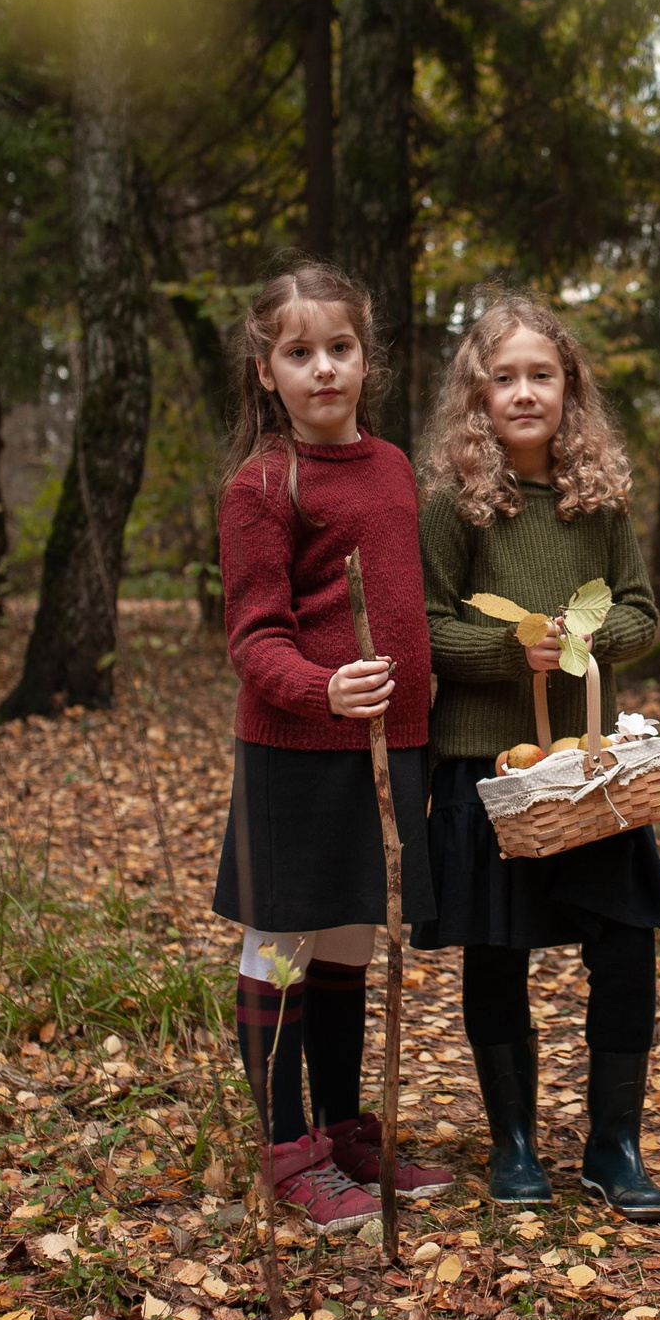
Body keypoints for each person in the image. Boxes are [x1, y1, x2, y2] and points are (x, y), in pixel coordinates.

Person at [415, 292, 660, 1223]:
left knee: (626, 940)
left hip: (586, 766)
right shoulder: (453, 503)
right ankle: (515, 1145)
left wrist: (591, 636)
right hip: (488, 767)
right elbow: (428, 626)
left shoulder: (596, 502)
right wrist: (509, 649)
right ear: (476, 394)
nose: (524, 393)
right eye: (505, 377)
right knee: (499, 950)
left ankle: (615, 1144)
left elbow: (643, 609)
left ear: (571, 388)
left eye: (543, 375)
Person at [212, 262, 450, 1233]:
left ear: (367, 359)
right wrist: (323, 688)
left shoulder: (392, 466)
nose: (323, 370)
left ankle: (344, 1126)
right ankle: (284, 1145)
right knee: (282, 943)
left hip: (391, 750)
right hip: (295, 753)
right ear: (265, 371)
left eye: (339, 349)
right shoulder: (263, 485)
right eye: (299, 353)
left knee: (351, 937)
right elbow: (254, 637)